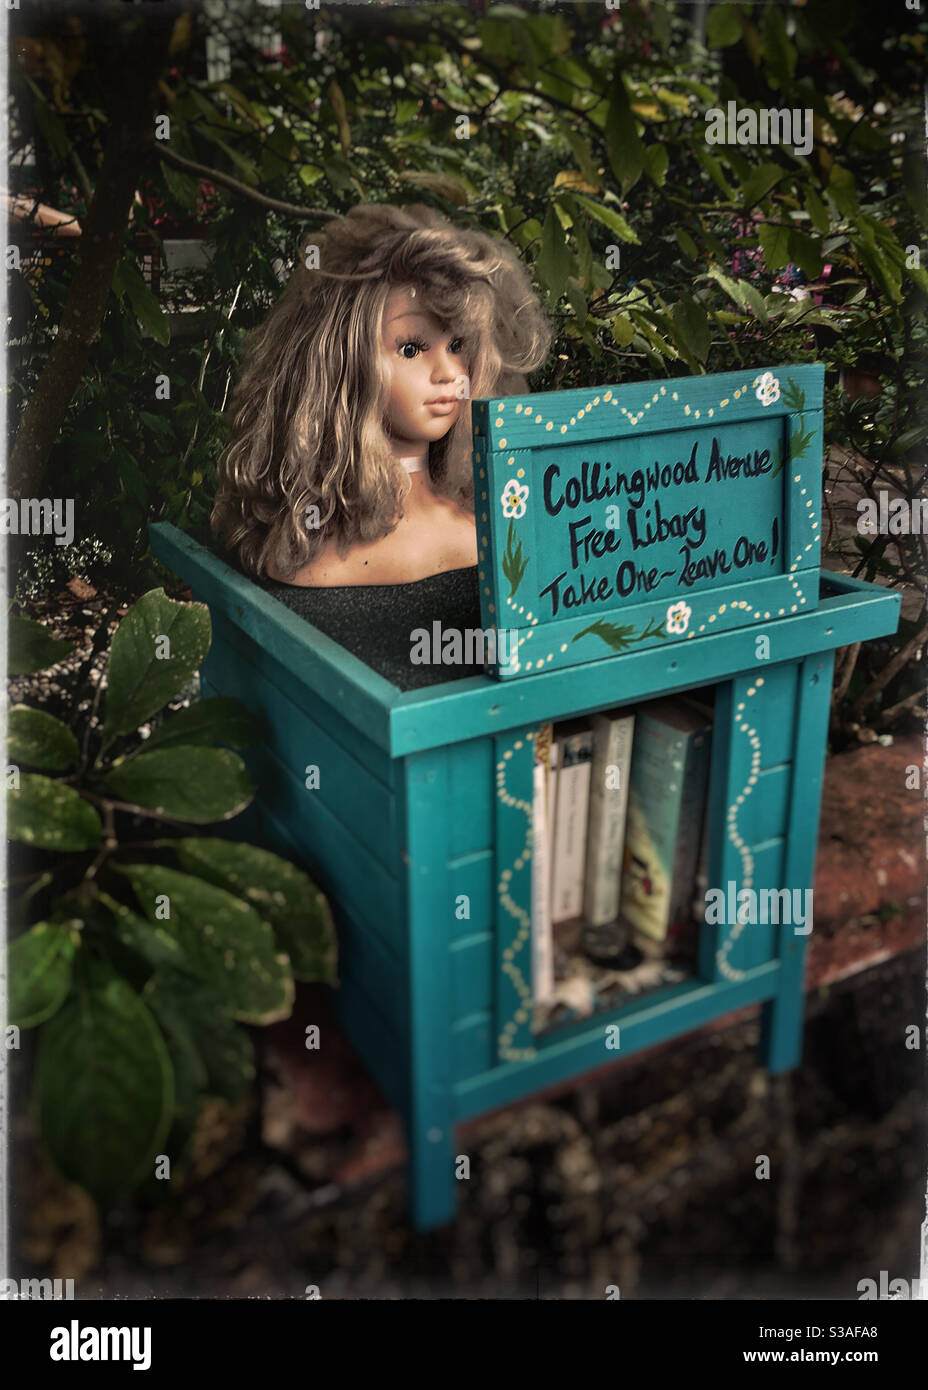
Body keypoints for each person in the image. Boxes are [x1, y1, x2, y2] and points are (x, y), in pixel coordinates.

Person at [211, 201, 551, 686]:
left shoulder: (494, 513)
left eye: (458, 345)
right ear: (339, 363)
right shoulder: (305, 541)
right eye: (411, 348)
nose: (451, 374)